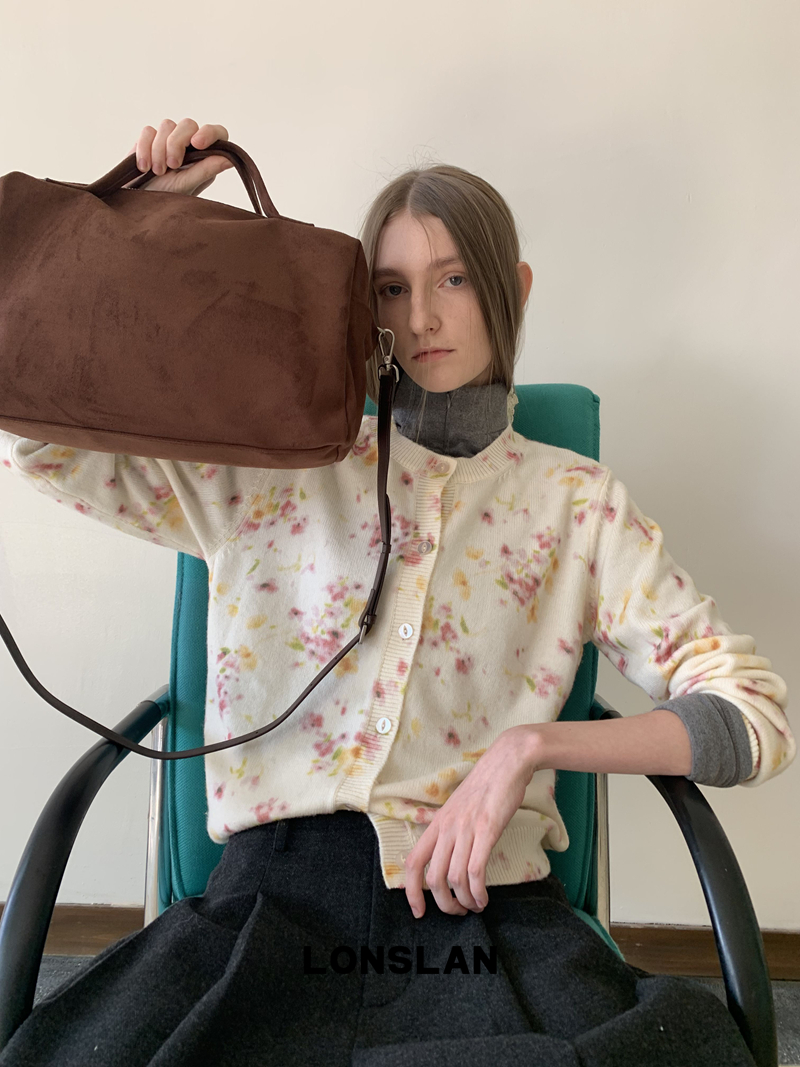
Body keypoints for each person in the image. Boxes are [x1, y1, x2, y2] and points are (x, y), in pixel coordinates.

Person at [0, 117, 792, 1067]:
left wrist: (531, 748)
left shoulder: (577, 503)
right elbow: (42, 439)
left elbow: (754, 718)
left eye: (453, 279)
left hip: (487, 914)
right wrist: (144, 227)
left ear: (514, 289)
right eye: (391, 287)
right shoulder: (277, 462)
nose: (421, 318)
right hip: (266, 909)